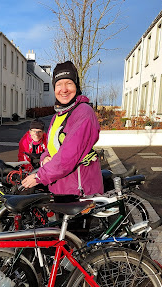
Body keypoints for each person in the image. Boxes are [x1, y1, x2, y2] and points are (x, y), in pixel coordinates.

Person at [22, 60, 103, 197]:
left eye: (69, 83)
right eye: (59, 84)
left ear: (76, 86)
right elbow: (51, 148)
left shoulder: (83, 112)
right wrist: (45, 158)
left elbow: (68, 156)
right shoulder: (58, 115)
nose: (63, 89)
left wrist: (39, 176)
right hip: (60, 187)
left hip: (78, 191)